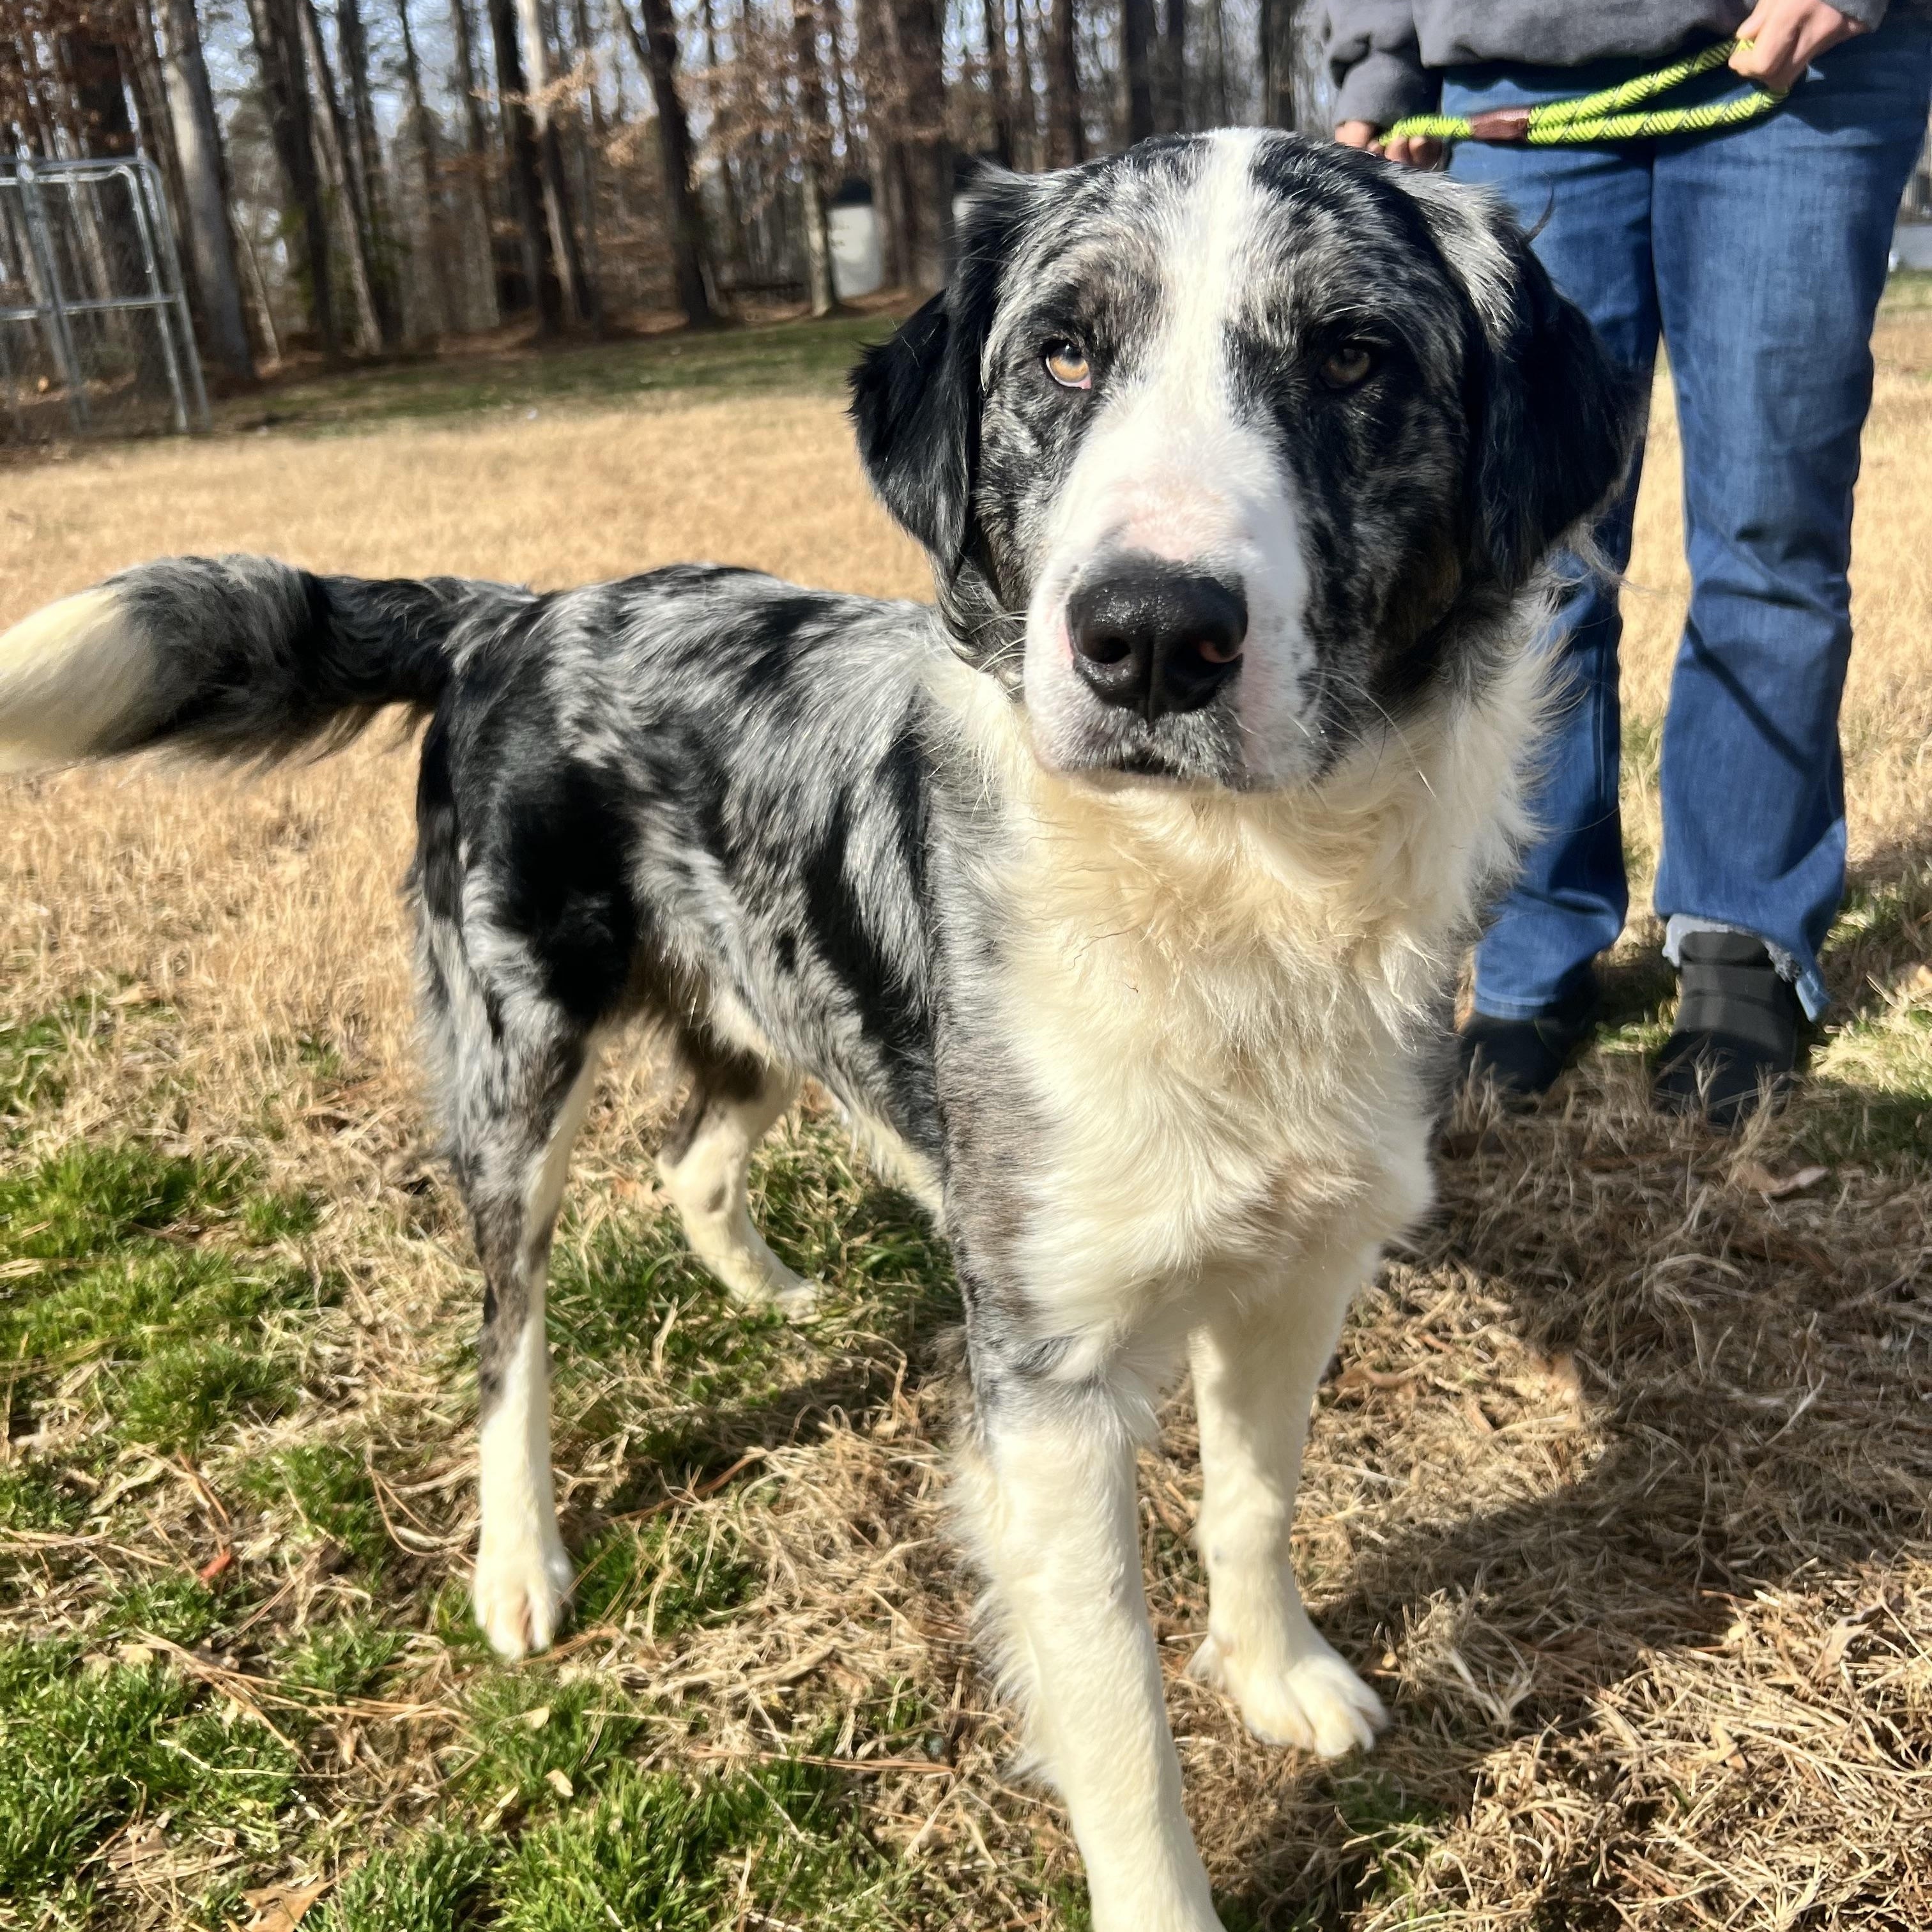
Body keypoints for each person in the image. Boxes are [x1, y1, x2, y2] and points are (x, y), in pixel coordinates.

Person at [1324, 0, 1932, 1126]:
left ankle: (1743, 941)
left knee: (1772, 533)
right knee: (1524, 550)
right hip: (1518, 72)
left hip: (1800, 65)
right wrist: (1380, 61)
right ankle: (1528, 945)